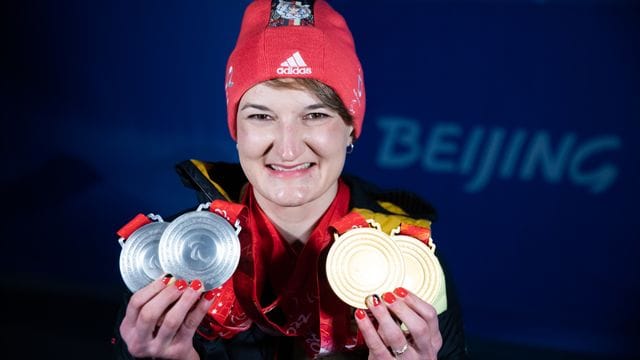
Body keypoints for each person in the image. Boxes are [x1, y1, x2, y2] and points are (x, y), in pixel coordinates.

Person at [113, 0, 469, 359]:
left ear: (350, 127)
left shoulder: (410, 263)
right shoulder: (172, 258)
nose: (286, 149)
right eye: (261, 116)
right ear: (236, 128)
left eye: (314, 115)